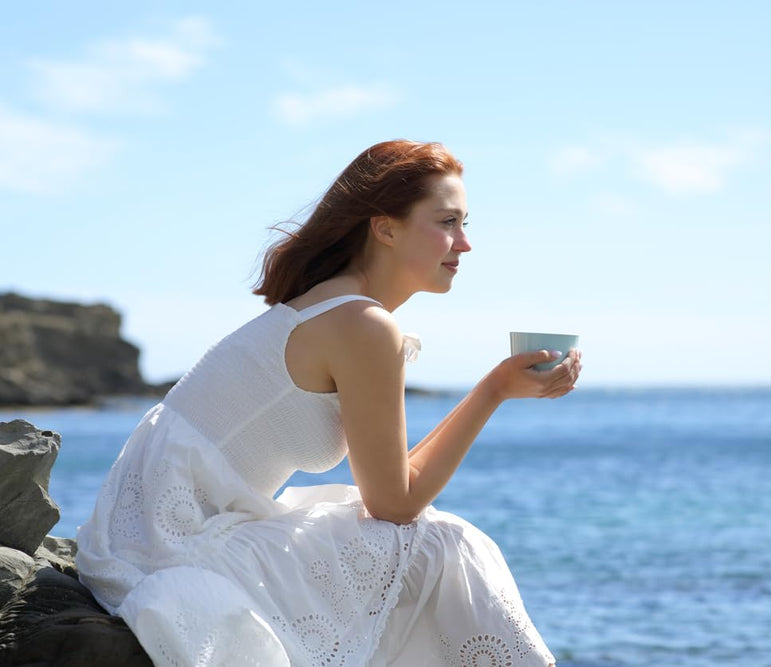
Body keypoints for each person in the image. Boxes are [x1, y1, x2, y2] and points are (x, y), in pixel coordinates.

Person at [76, 139, 582, 666]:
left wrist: (495, 387)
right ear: (385, 228)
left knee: (425, 542)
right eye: (448, 222)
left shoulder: (334, 308)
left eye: (465, 224)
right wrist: (494, 391)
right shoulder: (360, 324)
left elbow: (394, 487)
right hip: (172, 553)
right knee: (446, 544)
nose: (465, 244)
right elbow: (396, 505)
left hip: (144, 546)